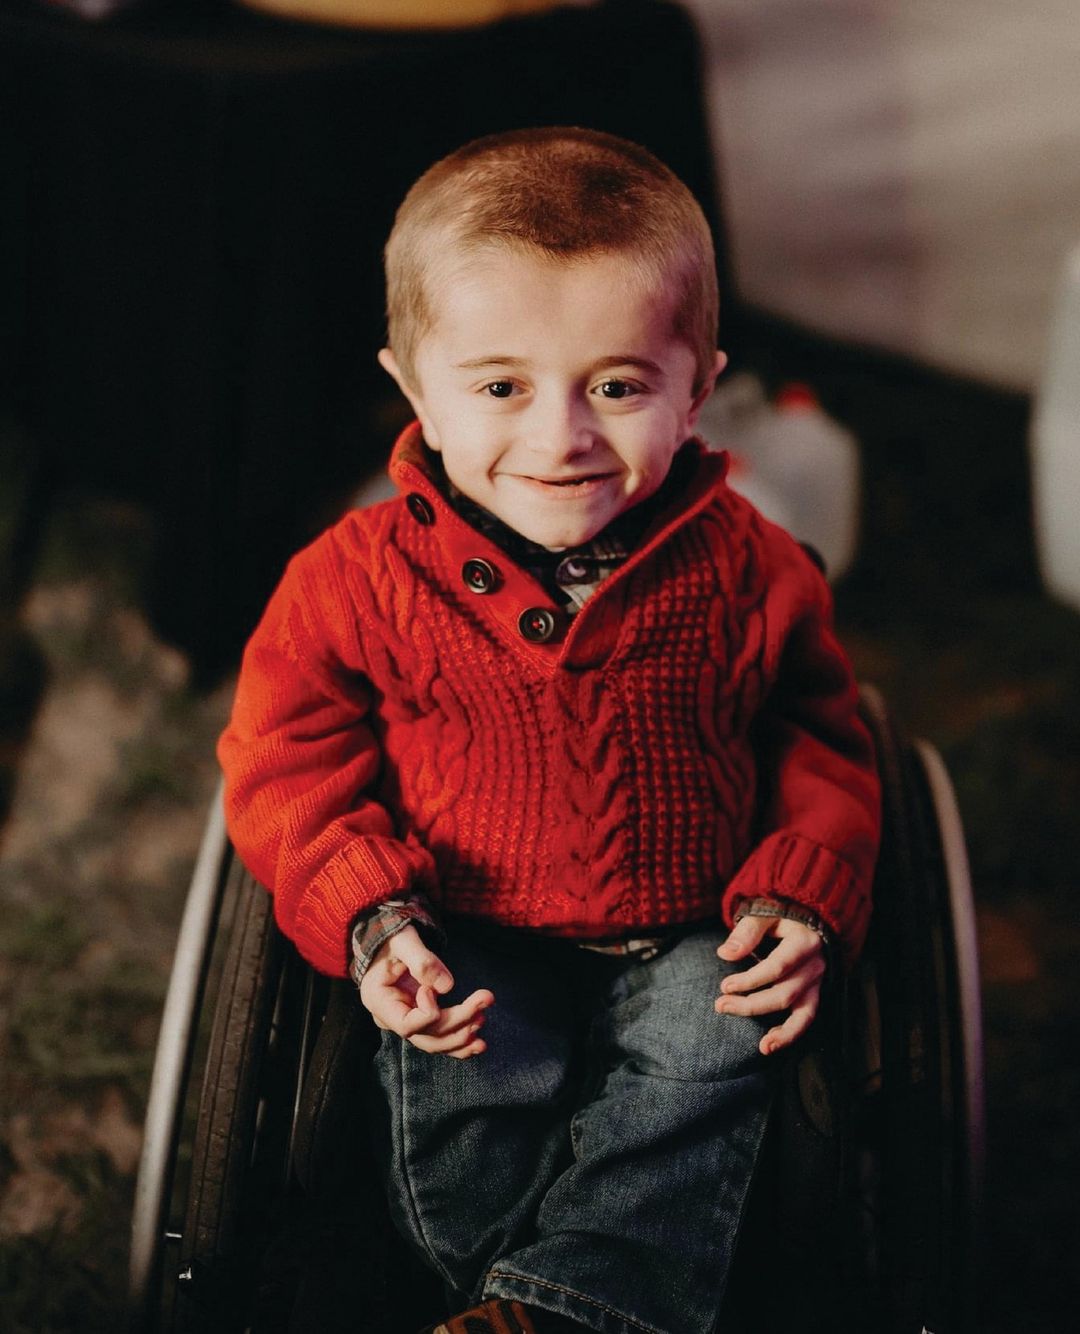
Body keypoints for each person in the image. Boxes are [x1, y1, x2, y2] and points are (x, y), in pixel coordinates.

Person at [218, 127, 881, 1334]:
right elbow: (283, 760)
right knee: (468, 1075)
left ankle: (562, 1305)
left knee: (715, 1048)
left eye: (618, 385)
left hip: (695, 920)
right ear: (416, 389)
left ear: (699, 384)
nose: (562, 435)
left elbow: (821, 737)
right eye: (500, 386)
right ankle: (541, 1294)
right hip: (464, 917)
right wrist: (371, 910)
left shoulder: (755, 570)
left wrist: (803, 886)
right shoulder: (354, 579)